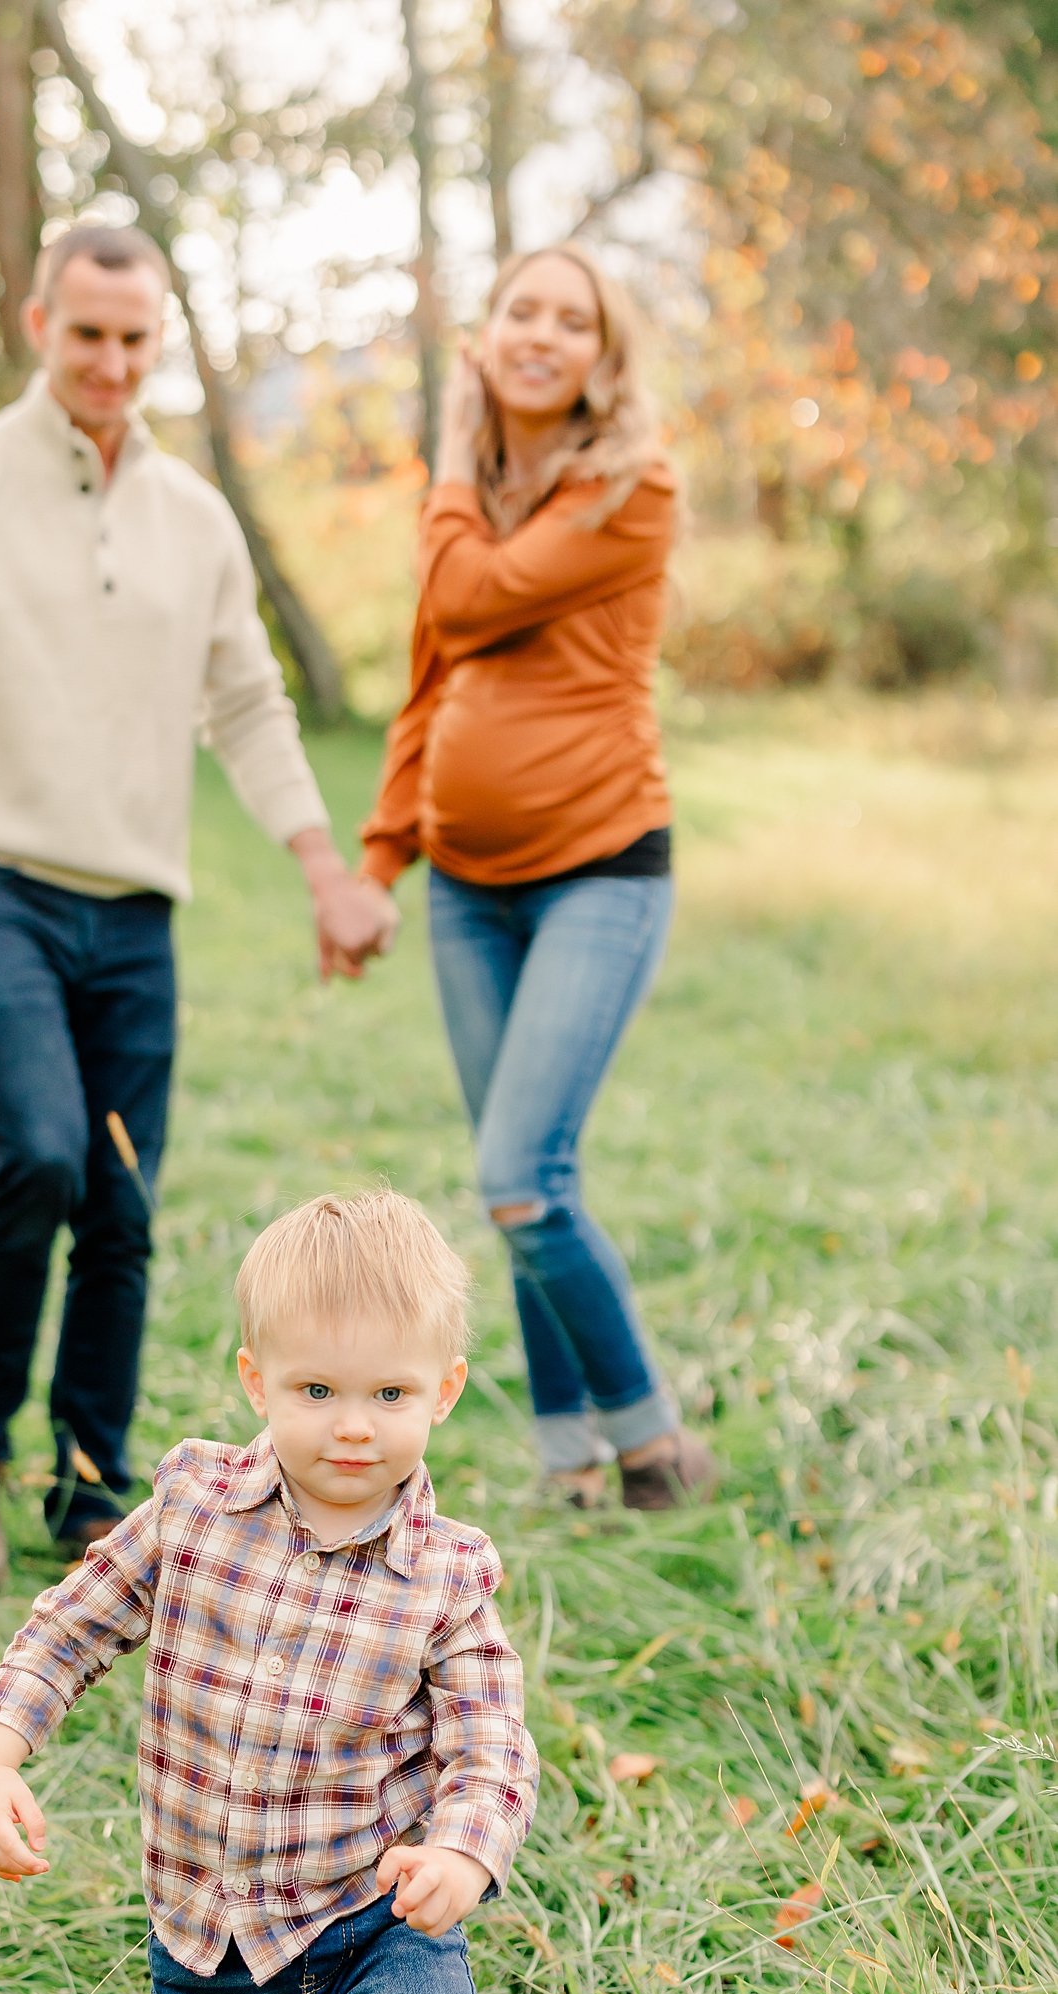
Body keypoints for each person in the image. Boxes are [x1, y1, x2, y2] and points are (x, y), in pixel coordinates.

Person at [0, 221, 397, 1589]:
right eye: (86, 332)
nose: (110, 360)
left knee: (125, 1203)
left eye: (135, 338)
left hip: (134, 903)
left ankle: (92, 1491)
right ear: (40, 321)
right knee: (38, 1151)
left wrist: (325, 867)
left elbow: (251, 703)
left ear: (159, 340)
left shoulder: (194, 517)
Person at [0, 1189, 537, 1994]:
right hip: (209, 1927)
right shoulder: (192, 1507)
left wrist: (460, 1851)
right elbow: (70, 1626)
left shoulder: (448, 1575)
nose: (353, 1424)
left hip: (376, 1916)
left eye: (390, 1391)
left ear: (445, 1391)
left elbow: (493, 1746)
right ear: (254, 1379)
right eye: (316, 1389)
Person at [360, 242, 718, 1512]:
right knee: (522, 1185)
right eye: (523, 310)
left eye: (575, 321)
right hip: (466, 884)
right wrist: (381, 855)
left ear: (602, 359)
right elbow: (429, 673)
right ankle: (567, 1457)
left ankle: (653, 1442)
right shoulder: (469, 500)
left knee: (520, 1174)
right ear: (488, 334)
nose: (544, 334)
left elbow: (468, 598)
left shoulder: (634, 485)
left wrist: (452, 460)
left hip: (601, 871)